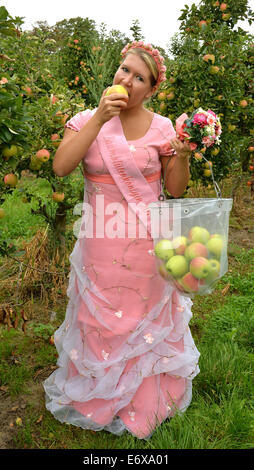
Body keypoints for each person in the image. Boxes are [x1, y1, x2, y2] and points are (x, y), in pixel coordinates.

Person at [43, 41, 200, 440]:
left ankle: (142, 394)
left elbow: (175, 189)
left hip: (146, 242)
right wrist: (98, 117)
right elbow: (61, 167)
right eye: (124, 70)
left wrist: (180, 155)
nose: (127, 80)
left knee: (142, 317)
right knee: (99, 318)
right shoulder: (84, 119)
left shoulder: (164, 127)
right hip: (101, 238)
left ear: (151, 89)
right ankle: (98, 392)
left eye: (139, 77)